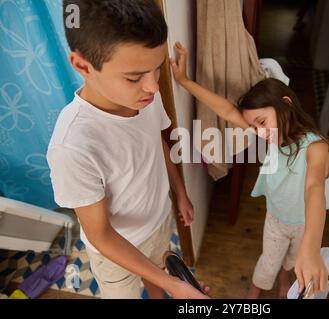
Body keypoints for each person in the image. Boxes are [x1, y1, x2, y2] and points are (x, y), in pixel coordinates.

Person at [47, 1, 208, 299]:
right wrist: (176, 285)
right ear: (82, 66)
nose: (153, 86)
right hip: (115, 251)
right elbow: (101, 235)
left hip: (159, 222)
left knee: (159, 281)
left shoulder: (144, 97)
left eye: (157, 69)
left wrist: (180, 193)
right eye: (134, 77)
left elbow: (155, 143)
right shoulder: (72, 147)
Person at [170, 42, 329, 299]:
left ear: (286, 104)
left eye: (261, 122)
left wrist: (312, 246)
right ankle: (256, 288)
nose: (260, 133)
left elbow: (315, 188)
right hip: (275, 218)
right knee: (269, 260)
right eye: (254, 126)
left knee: (291, 262)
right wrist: (183, 81)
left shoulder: (316, 148)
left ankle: (284, 281)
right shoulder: (271, 134)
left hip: (305, 224)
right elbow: (226, 110)